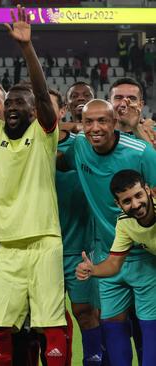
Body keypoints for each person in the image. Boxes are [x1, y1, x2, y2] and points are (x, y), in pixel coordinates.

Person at [0, 7, 67, 364]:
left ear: (32, 110)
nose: (11, 107)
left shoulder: (44, 136)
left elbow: (43, 95)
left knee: (50, 325)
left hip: (44, 243)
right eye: (8, 103)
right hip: (7, 247)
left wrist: (26, 47)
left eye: (18, 103)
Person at [57, 98, 156, 365]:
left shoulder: (141, 152)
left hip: (146, 256)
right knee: (112, 326)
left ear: (115, 123)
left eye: (103, 121)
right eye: (89, 122)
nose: (95, 128)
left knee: (149, 329)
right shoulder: (79, 148)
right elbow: (58, 161)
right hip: (108, 254)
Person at [75, 169, 156, 364]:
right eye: (127, 201)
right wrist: (92, 269)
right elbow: (114, 263)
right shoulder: (125, 223)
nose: (136, 204)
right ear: (118, 204)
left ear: (148, 190)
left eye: (138, 195)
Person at [55, 83, 103, 365]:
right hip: (41, 249)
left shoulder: (84, 145)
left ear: (62, 110)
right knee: (44, 318)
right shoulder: (27, 145)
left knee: (86, 312)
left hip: (81, 248)